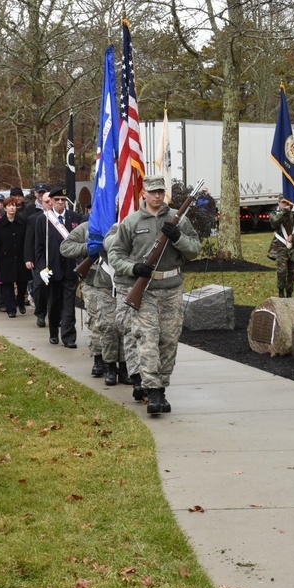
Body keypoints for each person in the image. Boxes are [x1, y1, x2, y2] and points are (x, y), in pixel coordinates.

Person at [106, 176, 200, 415]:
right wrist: (133, 268)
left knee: (168, 340)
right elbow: (115, 254)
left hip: (171, 289)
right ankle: (153, 390)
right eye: (152, 192)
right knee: (147, 340)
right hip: (145, 290)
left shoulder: (178, 219)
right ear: (144, 195)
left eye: (160, 192)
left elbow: (194, 251)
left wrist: (178, 237)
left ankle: (163, 386)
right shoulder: (132, 222)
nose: (157, 196)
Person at [60, 221, 128, 385]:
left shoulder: (125, 225)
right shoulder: (87, 227)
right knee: (98, 323)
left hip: (120, 282)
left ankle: (123, 365)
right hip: (94, 282)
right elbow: (66, 247)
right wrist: (90, 248)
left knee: (122, 325)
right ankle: (99, 358)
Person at [33, 187, 82, 347]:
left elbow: (80, 243)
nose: (60, 203)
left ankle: (69, 337)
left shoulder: (75, 218)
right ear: (51, 202)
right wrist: (41, 269)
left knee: (69, 305)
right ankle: (54, 332)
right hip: (52, 269)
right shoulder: (43, 220)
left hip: (70, 269)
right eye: (57, 200)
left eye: (63, 200)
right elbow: (39, 248)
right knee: (54, 304)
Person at [0, 197, 30, 318]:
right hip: (5, 259)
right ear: (5, 208)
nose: (12, 207)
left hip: (20, 258)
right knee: (7, 284)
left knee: (22, 283)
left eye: (14, 205)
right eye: (9, 205)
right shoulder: (0, 224)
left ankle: (20, 302)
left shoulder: (23, 222)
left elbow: (27, 241)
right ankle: (11, 308)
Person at [267, 198, 294, 298]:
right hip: (280, 247)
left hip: (293, 248)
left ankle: (289, 293)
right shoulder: (274, 213)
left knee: (292, 272)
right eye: (283, 203)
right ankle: (281, 292)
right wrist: (284, 212)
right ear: (279, 203)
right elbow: (274, 223)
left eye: (287, 203)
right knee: (282, 271)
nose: (285, 205)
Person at [25, 190, 52, 327]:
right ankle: (40, 314)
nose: (50, 204)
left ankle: (56, 314)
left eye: (51, 202)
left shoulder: (61, 219)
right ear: (42, 203)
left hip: (56, 260)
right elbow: (29, 240)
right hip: (40, 260)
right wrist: (28, 258)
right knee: (41, 286)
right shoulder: (34, 219)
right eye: (47, 202)